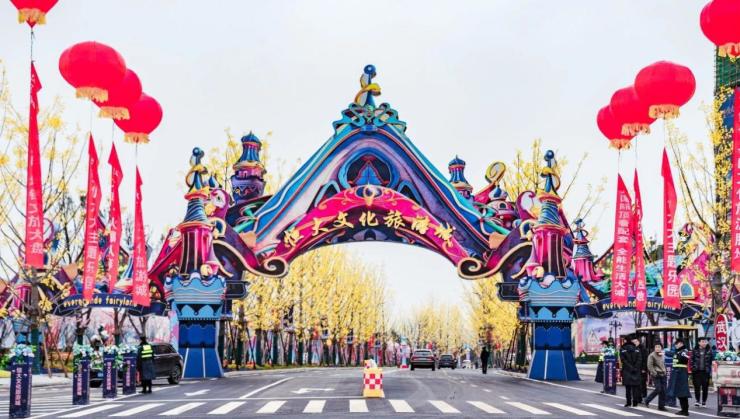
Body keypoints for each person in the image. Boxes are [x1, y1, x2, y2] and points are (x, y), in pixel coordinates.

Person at [668, 338, 691, 416]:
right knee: (679, 391)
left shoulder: (684, 351)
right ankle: (683, 409)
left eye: (677, 344)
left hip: (681, 372)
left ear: (681, 344)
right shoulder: (678, 351)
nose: (676, 345)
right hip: (677, 372)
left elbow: (686, 358)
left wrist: (682, 355)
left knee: (682, 391)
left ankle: (685, 410)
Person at [620, 334, 643, 407]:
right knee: (635, 387)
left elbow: (623, 360)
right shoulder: (637, 349)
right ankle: (635, 402)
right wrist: (635, 367)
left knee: (628, 388)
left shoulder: (623, 349)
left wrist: (630, 367)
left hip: (627, 370)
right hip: (636, 371)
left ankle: (628, 402)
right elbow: (640, 359)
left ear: (625, 340)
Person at [645, 342, 668, 411]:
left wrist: (665, 372)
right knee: (658, 389)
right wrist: (655, 373)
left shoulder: (662, 355)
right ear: (654, 348)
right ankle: (647, 400)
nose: (657, 348)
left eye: (659, 347)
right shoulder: (651, 355)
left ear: (661, 348)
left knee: (663, 390)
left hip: (663, 374)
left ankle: (661, 406)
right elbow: (649, 366)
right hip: (656, 375)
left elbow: (663, 364)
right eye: (656, 347)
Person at [691, 337, 712, 407]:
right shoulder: (695, 350)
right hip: (696, 372)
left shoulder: (709, 350)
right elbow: (691, 360)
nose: (704, 343)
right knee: (697, 387)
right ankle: (697, 401)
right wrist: (693, 368)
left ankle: (704, 401)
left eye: (705, 342)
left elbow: (711, 361)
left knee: (705, 387)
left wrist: (709, 370)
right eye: (703, 341)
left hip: (705, 372)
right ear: (699, 342)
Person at [635, 336, 649, 403]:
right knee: (637, 384)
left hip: (642, 369)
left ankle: (644, 397)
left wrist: (644, 368)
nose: (634, 343)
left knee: (642, 384)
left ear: (639, 342)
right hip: (636, 369)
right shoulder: (634, 348)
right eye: (633, 342)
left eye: (636, 341)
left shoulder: (643, 349)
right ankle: (638, 398)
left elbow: (645, 360)